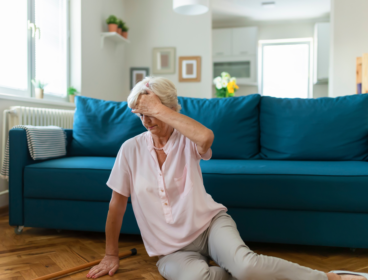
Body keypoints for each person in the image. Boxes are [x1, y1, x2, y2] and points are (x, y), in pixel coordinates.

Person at [86, 77, 367, 280]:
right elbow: (117, 206)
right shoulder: (130, 150)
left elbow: (206, 137)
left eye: (151, 112)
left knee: (247, 267)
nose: (146, 121)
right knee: (200, 278)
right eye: (140, 114)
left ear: (170, 110)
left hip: (209, 227)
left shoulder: (186, 138)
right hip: (171, 250)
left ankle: (331, 278)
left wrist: (159, 109)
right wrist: (111, 253)